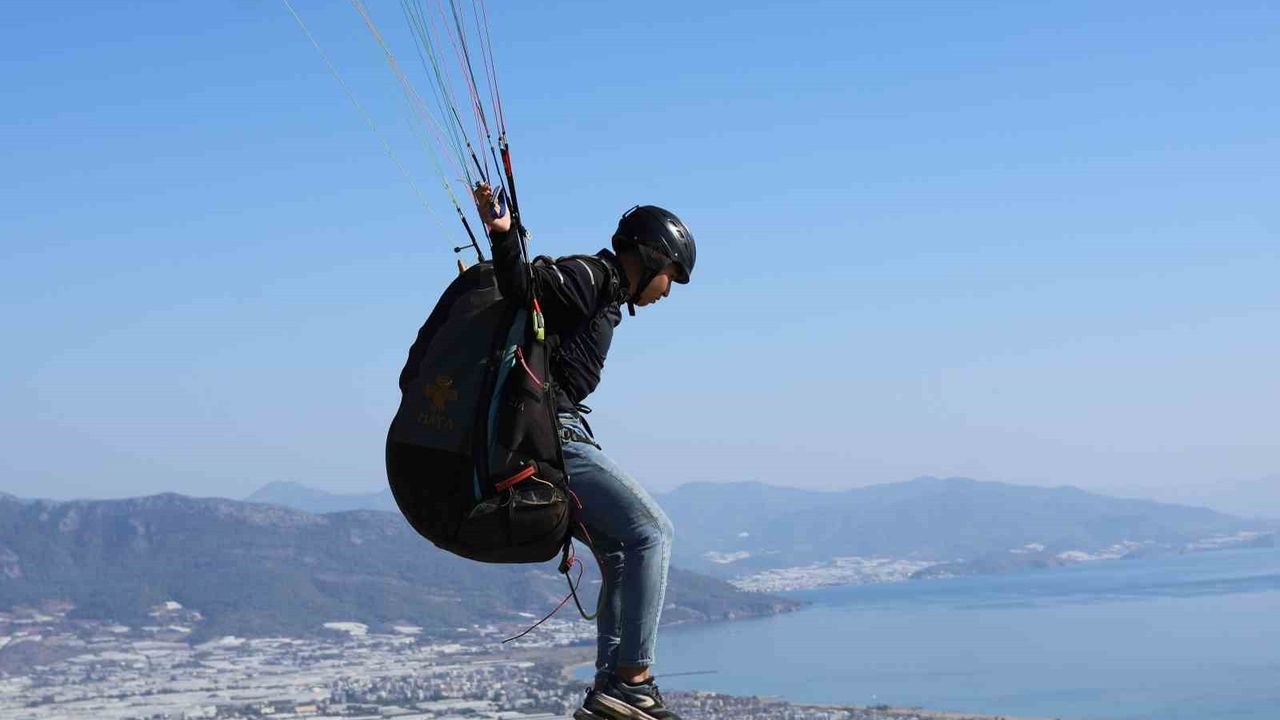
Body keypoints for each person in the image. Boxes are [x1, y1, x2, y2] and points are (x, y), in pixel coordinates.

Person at [474, 184, 696, 720]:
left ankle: (609, 693)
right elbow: (523, 284)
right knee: (652, 532)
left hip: (546, 436)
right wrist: (504, 234)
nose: (668, 292)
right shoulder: (590, 278)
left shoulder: (605, 294)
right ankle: (633, 679)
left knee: (621, 551)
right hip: (551, 440)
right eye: (672, 277)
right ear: (650, 259)